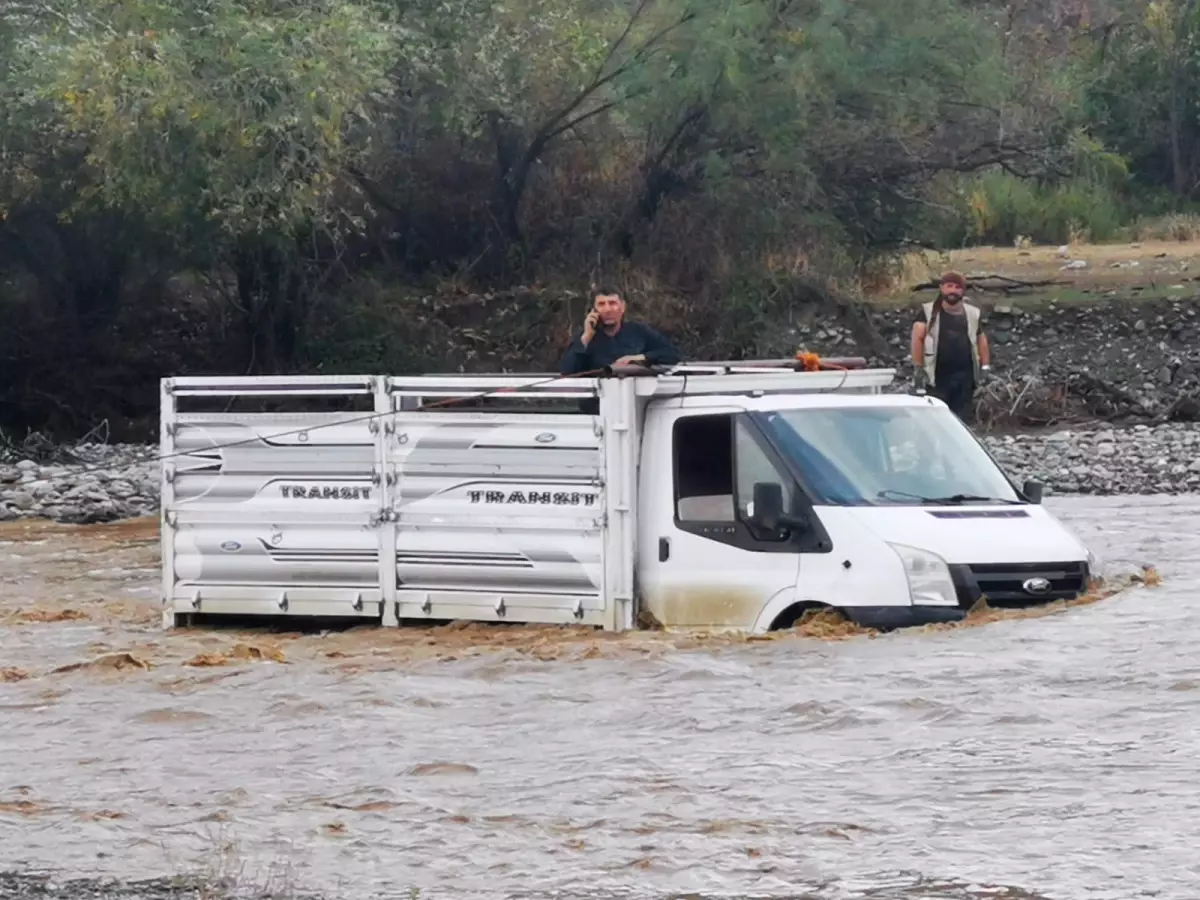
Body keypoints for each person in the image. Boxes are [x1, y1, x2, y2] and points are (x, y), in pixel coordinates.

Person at [910, 271, 991, 423]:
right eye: (949, 286)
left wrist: (985, 367)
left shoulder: (973, 313)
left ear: (963, 291)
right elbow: (917, 338)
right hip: (937, 376)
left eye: (957, 287)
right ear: (941, 288)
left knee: (962, 420)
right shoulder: (928, 312)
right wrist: (918, 368)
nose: (953, 290)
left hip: (965, 377)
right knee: (937, 418)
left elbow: (981, 339)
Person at [559, 286, 681, 374]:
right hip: (597, 406)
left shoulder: (638, 331)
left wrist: (638, 358)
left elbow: (672, 355)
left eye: (612, 303)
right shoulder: (585, 337)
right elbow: (567, 372)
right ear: (593, 311)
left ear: (622, 307)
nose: (607, 309)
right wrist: (586, 338)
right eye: (601, 304)